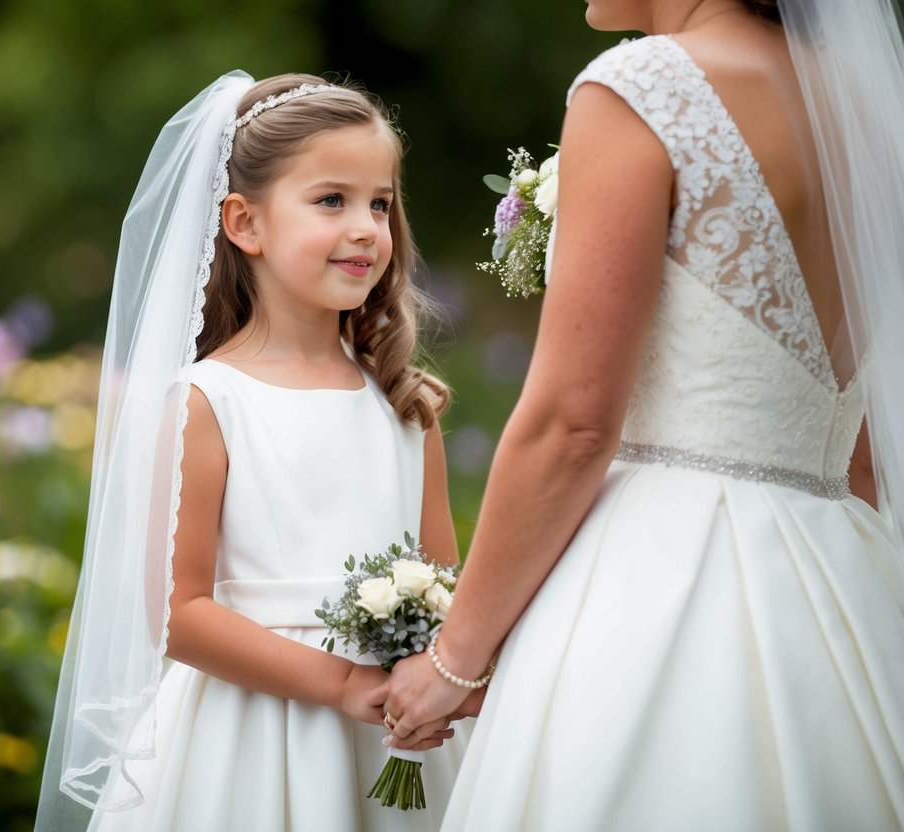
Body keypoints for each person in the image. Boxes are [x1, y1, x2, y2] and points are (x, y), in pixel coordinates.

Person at [383, 0, 904, 828]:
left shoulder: (641, 85)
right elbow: (865, 445)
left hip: (666, 585)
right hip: (844, 577)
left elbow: (572, 424)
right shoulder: (874, 109)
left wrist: (453, 661)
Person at [34, 71, 469, 831]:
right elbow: (179, 613)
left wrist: (438, 676)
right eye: (331, 200)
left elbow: (442, 581)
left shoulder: (406, 404)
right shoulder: (209, 401)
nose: (366, 227)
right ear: (244, 223)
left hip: (395, 740)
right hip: (247, 743)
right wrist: (339, 684)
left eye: (380, 203)